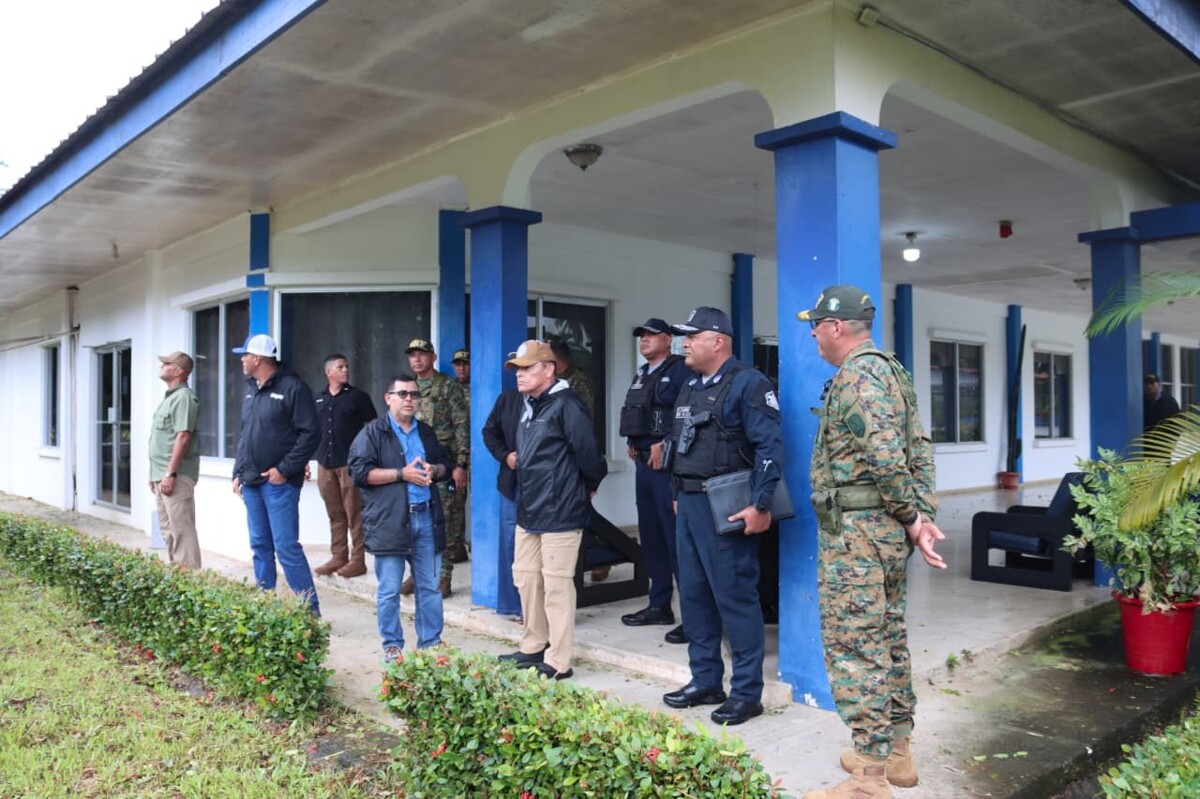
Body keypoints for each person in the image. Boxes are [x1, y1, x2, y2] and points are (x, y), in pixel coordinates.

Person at [798, 285, 946, 799]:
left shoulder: (858, 376)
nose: (813, 333)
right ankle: (896, 753)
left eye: (816, 324)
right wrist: (920, 515)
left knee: (854, 645)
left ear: (836, 327)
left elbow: (886, 457)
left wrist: (912, 515)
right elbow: (919, 447)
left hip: (858, 535)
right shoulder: (891, 370)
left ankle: (868, 778)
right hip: (881, 530)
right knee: (885, 635)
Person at [662, 306, 783, 726]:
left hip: (728, 504)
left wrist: (762, 503)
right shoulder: (690, 386)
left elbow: (770, 446)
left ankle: (747, 693)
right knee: (693, 597)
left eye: (692, 336)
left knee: (734, 598)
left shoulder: (748, 384)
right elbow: (681, 444)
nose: (685, 343)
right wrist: (677, 493)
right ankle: (705, 680)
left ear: (718, 341)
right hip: (690, 505)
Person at [497, 340, 607, 680]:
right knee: (527, 579)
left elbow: (589, 456)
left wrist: (586, 486)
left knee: (557, 586)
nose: (520, 375)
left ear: (549, 369)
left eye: (528, 368)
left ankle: (560, 661)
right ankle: (533, 646)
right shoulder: (531, 405)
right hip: (530, 508)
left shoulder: (567, 405)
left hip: (560, 510)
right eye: (517, 369)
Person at [348, 374, 451, 661]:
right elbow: (359, 473)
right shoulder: (372, 433)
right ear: (388, 397)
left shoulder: (426, 432)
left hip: (427, 520)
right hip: (391, 522)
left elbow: (446, 463)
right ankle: (392, 645)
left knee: (430, 588)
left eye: (414, 395)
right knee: (390, 590)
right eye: (403, 394)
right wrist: (400, 473)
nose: (409, 399)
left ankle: (431, 643)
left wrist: (435, 471)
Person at [230, 333, 321, 615]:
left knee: (286, 548)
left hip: (278, 483)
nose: (242, 360)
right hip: (252, 481)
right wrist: (237, 471)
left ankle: (309, 611)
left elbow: (310, 434)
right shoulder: (250, 389)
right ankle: (264, 606)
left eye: (245, 355)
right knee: (260, 545)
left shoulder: (293, 388)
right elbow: (246, 434)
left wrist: (284, 469)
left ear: (258, 359)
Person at [618, 318, 694, 644]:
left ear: (667, 339)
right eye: (641, 336)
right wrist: (634, 443)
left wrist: (666, 443)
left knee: (675, 540)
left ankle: (693, 618)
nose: (644, 341)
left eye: (650, 335)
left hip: (667, 466)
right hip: (644, 464)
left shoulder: (680, 371)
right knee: (651, 539)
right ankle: (659, 604)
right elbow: (638, 413)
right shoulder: (642, 374)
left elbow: (687, 414)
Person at [403, 339, 469, 597]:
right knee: (416, 523)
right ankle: (417, 575)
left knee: (448, 522)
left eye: (422, 354)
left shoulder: (447, 387)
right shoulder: (408, 388)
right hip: (414, 465)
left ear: (432, 357)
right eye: (412, 355)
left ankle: (444, 577)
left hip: (444, 463)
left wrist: (461, 464)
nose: (417, 359)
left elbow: (462, 427)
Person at [312, 354, 377, 578]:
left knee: (354, 513)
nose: (345, 370)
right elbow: (312, 432)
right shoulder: (319, 399)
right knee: (335, 513)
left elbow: (372, 429)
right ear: (328, 372)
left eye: (346, 366)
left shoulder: (358, 397)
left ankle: (358, 560)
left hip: (350, 465)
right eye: (340, 367)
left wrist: (367, 457)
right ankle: (339, 556)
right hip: (325, 464)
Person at [148, 350, 201, 570]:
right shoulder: (171, 397)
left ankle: (191, 583)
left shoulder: (184, 398)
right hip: (162, 474)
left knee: (182, 530)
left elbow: (183, 436)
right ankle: (177, 579)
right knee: (168, 530)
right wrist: (155, 475)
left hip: (175, 476)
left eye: (166, 363)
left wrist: (170, 473)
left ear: (177, 371)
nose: (161, 366)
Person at [482, 385, 526, 621]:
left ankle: (538, 608)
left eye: (526, 369)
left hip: (545, 485)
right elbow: (489, 432)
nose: (520, 376)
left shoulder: (557, 399)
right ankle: (514, 605)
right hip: (512, 483)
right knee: (511, 543)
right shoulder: (507, 400)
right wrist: (505, 455)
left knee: (542, 546)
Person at [448, 348, 471, 564]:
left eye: (465, 363)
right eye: (458, 364)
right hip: (459, 454)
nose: (462, 368)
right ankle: (457, 545)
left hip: (480, 453)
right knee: (456, 501)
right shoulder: (451, 388)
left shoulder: (480, 387)